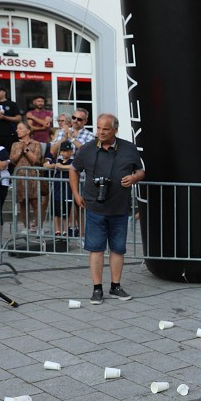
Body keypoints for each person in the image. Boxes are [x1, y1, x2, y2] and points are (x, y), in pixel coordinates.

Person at [69, 114, 145, 304]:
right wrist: (77, 195)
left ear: (115, 130)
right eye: (99, 128)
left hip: (120, 208)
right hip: (94, 208)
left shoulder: (128, 148)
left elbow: (141, 171)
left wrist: (134, 178)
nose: (101, 132)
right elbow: (73, 169)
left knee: (118, 249)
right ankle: (97, 289)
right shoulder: (87, 149)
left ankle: (115, 286)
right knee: (96, 250)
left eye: (105, 129)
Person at [10, 121, 45, 234]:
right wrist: (20, 151)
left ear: (28, 131)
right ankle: (26, 227)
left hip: (32, 176)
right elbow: (12, 160)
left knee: (35, 202)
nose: (17, 130)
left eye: (20, 128)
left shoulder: (36, 144)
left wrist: (27, 150)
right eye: (17, 128)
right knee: (23, 202)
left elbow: (36, 160)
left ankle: (38, 226)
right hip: (20, 177)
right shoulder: (15, 145)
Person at [45, 140, 78, 237]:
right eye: (62, 151)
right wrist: (53, 165)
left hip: (66, 190)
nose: (63, 153)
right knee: (56, 211)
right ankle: (57, 230)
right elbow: (45, 164)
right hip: (56, 189)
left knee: (65, 211)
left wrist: (62, 167)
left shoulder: (73, 161)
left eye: (66, 151)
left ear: (71, 152)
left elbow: (74, 167)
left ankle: (65, 229)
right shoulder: (58, 161)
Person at [0, 86, 21, 150]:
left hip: (10, 135)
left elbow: (18, 118)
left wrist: (5, 117)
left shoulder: (12, 104)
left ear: (4, 92)